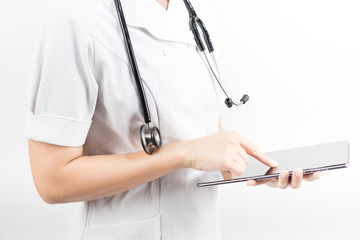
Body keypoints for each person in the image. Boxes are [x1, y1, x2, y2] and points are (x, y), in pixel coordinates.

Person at [25, 0, 322, 239]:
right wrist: (182, 154)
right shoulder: (73, 16)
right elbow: (52, 180)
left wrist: (259, 167)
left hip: (200, 227)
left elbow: (203, 136)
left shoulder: (195, 11)